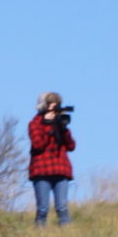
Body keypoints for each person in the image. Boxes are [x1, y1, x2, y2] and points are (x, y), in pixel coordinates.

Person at [28, 91, 75, 227]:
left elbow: (71, 146)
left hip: (61, 169)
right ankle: (39, 234)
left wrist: (63, 128)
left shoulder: (60, 123)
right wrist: (48, 126)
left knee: (62, 207)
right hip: (41, 170)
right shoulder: (35, 123)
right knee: (43, 208)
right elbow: (38, 144)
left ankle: (67, 234)